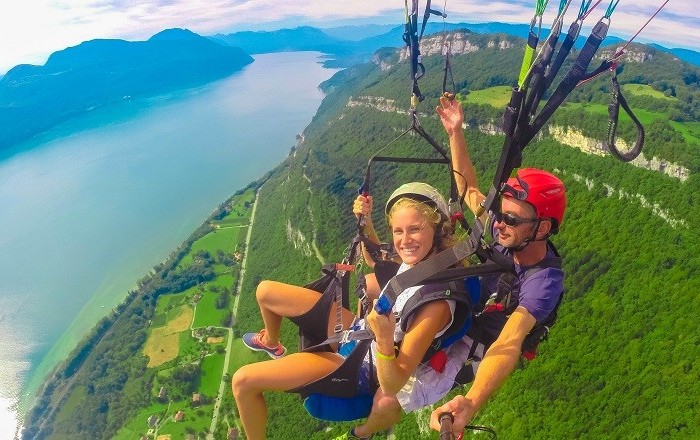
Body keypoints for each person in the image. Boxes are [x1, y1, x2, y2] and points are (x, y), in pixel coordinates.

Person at [232, 182, 468, 440]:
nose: (404, 240)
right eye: (398, 231)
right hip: (358, 332)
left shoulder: (435, 305)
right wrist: (365, 221)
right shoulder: (422, 261)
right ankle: (272, 344)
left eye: (415, 229)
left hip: (354, 365)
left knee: (243, 382)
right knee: (265, 292)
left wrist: (385, 341)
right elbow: (374, 258)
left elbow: (393, 385)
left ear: (436, 230)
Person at [429, 95, 566, 436]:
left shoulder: (543, 282)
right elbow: (469, 190)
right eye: (500, 214)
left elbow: (510, 340)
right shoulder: (506, 231)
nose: (499, 223)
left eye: (511, 219)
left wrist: (472, 401)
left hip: (482, 340)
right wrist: (455, 133)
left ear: (542, 229)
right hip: (473, 310)